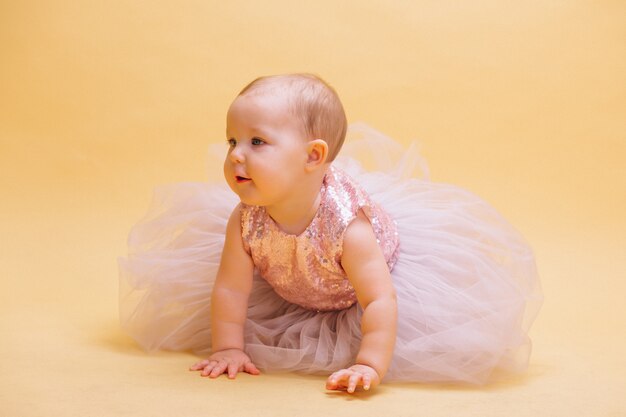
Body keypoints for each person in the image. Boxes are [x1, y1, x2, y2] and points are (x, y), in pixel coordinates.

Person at [119, 73, 542, 394]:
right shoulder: (245, 219)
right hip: (295, 283)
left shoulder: (347, 228)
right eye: (232, 141)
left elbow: (378, 298)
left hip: (363, 287)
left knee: (379, 301)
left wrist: (370, 364)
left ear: (313, 156)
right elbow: (230, 291)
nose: (236, 156)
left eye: (257, 142)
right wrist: (229, 347)